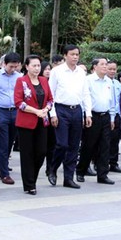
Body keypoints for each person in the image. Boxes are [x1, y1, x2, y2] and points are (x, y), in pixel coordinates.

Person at [48, 44, 91, 189]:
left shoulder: (81, 72)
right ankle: (53, 168)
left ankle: (68, 178)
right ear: (65, 55)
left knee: (74, 146)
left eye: (77, 54)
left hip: (77, 110)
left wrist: (88, 113)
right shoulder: (57, 71)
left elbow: (85, 93)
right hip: (61, 109)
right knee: (62, 144)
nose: (75, 57)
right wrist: (52, 113)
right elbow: (50, 94)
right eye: (72, 54)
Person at [14, 55, 54, 195]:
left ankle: (33, 178)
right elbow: (19, 102)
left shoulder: (44, 80)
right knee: (27, 154)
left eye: (38, 66)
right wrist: (36, 111)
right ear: (27, 66)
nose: (37, 68)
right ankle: (29, 184)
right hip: (26, 122)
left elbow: (50, 99)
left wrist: (46, 110)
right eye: (34, 66)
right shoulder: (21, 81)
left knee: (41, 152)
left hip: (42, 120)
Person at [76, 58, 115, 185]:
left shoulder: (109, 82)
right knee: (89, 145)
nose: (105, 67)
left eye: (106, 64)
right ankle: (81, 171)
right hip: (92, 116)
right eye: (102, 64)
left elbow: (112, 101)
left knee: (105, 146)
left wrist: (112, 118)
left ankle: (102, 175)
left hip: (106, 116)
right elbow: (83, 99)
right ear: (95, 67)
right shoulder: (88, 80)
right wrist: (85, 116)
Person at [0, 52, 22, 185]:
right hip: (0, 111)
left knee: (10, 142)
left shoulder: (19, 77)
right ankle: (4, 173)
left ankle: (1, 165)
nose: (13, 69)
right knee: (2, 143)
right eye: (11, 66)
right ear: (4, 64)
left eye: (15, 66)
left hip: (15, 111)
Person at [107, 61, 121, 173]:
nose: (112, 71)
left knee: (115, 141)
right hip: (106, 114)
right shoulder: (104, 82)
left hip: (117, 115)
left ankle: (113, 163)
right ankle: (101, 163)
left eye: (114, 69)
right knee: (104, 141)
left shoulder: (118, 84)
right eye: (110, 69)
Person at [40, 61, 56, 176]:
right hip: (39, 116)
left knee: (52, 144)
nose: (47, 71)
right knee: (42, 146)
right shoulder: (38, 82)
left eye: (49, 69)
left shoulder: (53, 82)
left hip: (51, 115)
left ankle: (50, 167)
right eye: (45, 69)